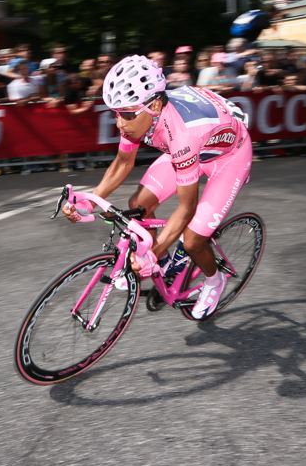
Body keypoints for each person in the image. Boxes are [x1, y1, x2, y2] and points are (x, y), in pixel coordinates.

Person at [62, 55, 253, 319]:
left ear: (155, 104)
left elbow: (187, 208)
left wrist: (153, 252)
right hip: (195, 146)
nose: (119, 122)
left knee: (193, 240)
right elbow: (122, 163)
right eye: (115, 113)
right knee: (138, 205)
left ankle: (214, 280)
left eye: (127, 114)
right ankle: (165, 266)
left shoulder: (181, 135)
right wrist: (90, 201)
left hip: (227, 159)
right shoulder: (139, 113)